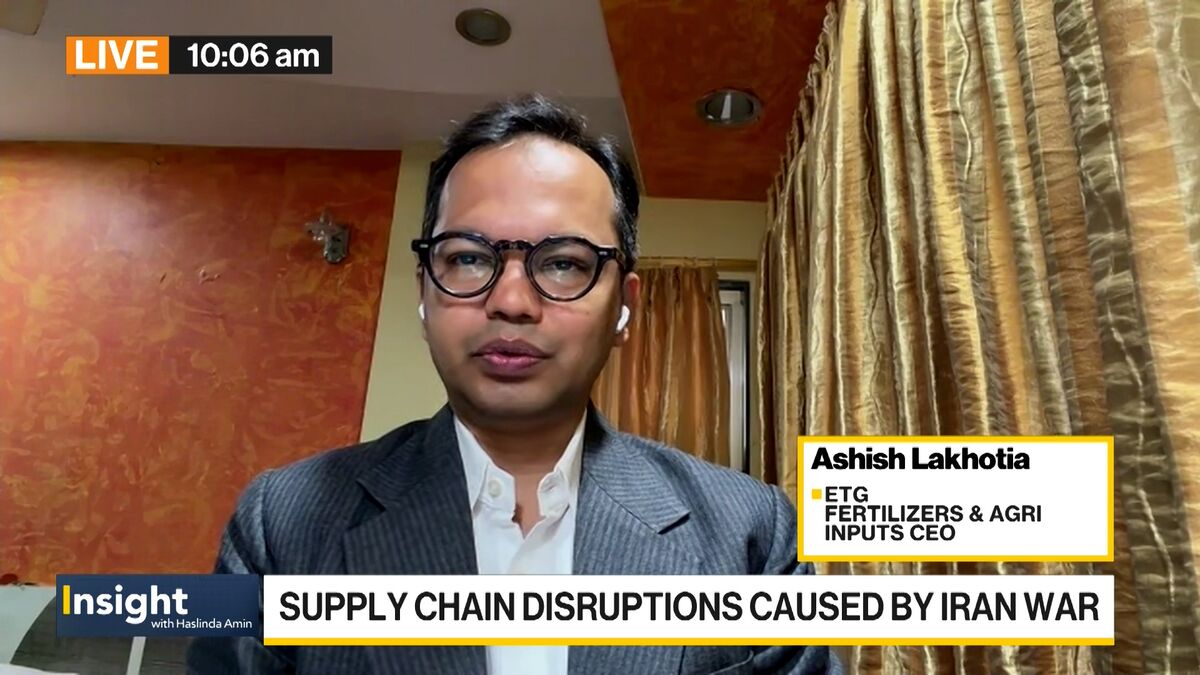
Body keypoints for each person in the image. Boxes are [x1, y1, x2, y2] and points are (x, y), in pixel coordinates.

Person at [187, 94, 839, 675]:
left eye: (564, 264)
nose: (511, 301)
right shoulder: (283, 524)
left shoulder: (753, 536)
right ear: (424, 291)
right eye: (469, 258)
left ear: (624, 308)